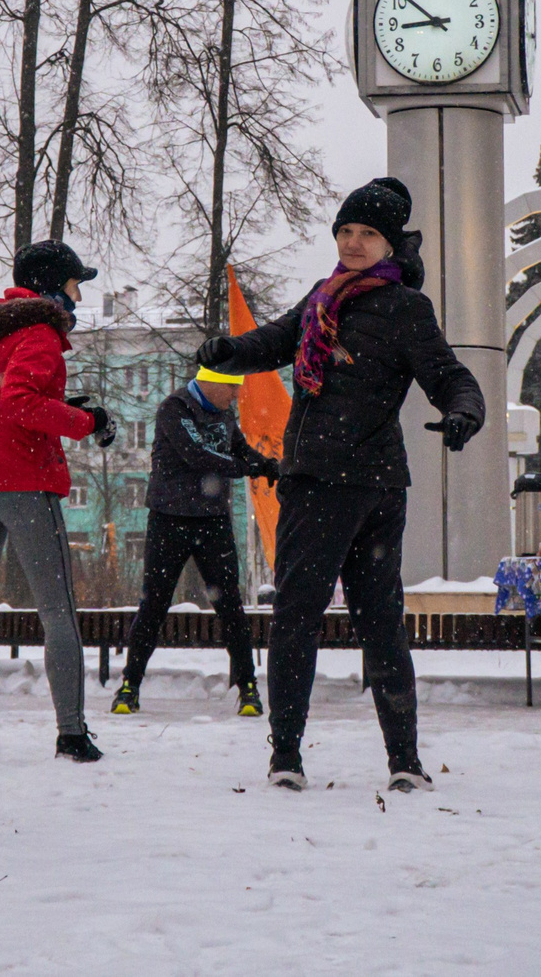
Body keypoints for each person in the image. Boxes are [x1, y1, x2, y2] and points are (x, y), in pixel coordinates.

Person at [197, 176, 486, 792]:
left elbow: (447, 372)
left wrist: (466, 412)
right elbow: (273, 341)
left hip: (372, 489)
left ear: (389, 244)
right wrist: (227, 351)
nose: (354, 243)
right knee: (298, 617)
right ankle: (287, 757)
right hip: (315, 483)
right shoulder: (321, 297)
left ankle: (405, 760)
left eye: (368, 234)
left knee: (380, 620)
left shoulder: (406, 308)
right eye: (346, 231)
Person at [0, 240, 116, 763]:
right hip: (23, 485)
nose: (77, 296)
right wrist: (86, 422)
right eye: (74, 285)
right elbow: (20, 403)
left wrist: (61, 405)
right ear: (51, 287)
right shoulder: (41, 332)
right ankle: (71, 732)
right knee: (57, 611)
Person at [111, 363, 280, 716]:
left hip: (212, 521)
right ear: (212, 383)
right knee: (153, 605)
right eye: (232, 388)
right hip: (169, 520)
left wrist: (265, 464)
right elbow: (198, 456)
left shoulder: (224, 413)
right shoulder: (174, 408)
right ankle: (129, 686)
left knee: (230, 605)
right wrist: (247, 468)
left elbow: (239, 450)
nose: (236, 395)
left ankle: (247, 688)